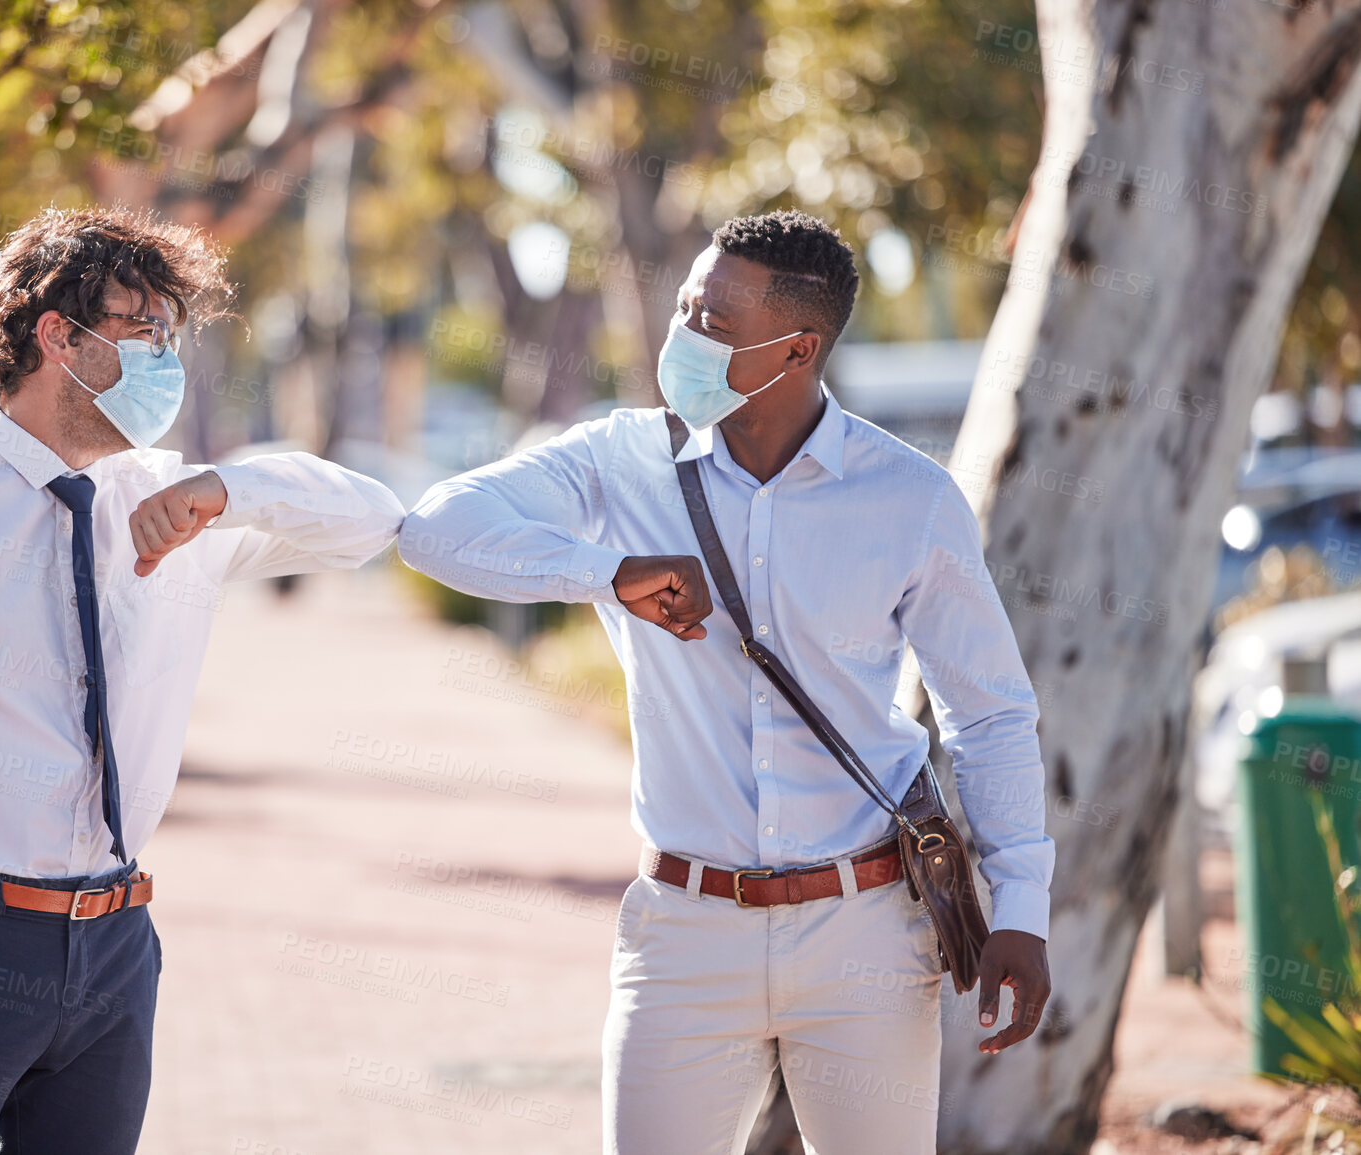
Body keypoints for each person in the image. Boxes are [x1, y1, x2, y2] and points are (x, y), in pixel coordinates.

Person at [397, 209, 1054, 1155]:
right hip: (682, 933)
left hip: (866, 932)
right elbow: (434, 528)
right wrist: (608, 572)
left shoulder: (909, 497)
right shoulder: (616, 460)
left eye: (711, 321)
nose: (683, 336)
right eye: (683, 308)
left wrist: (1021, 908)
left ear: (797, 348)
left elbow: (988, 713)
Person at [0, 205, 405, 1155]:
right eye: (141, 329)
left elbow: (374, 521)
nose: (164, 358)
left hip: (115, 949)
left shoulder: (173, 504)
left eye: (170, 336)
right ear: (57, 335)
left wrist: (228, 490)